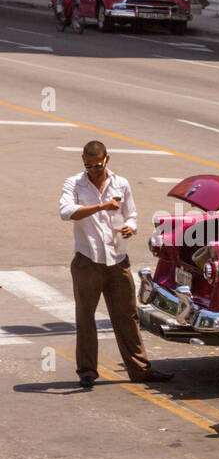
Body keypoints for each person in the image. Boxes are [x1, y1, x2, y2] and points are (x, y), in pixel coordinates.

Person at [59, 141, 171, 388]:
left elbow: (131, 213)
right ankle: (87, 371)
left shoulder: (121, 183)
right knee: (85, 317)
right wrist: (101, 206)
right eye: (87, 165)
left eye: (97, 165)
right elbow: (66, 212)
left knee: (127, 316)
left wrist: (131, 226)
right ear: (82, 159)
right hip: (88, 261)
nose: (93, 170)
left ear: (106, 159)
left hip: (118, 260)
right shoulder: (74, 183)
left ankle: (140, 369)